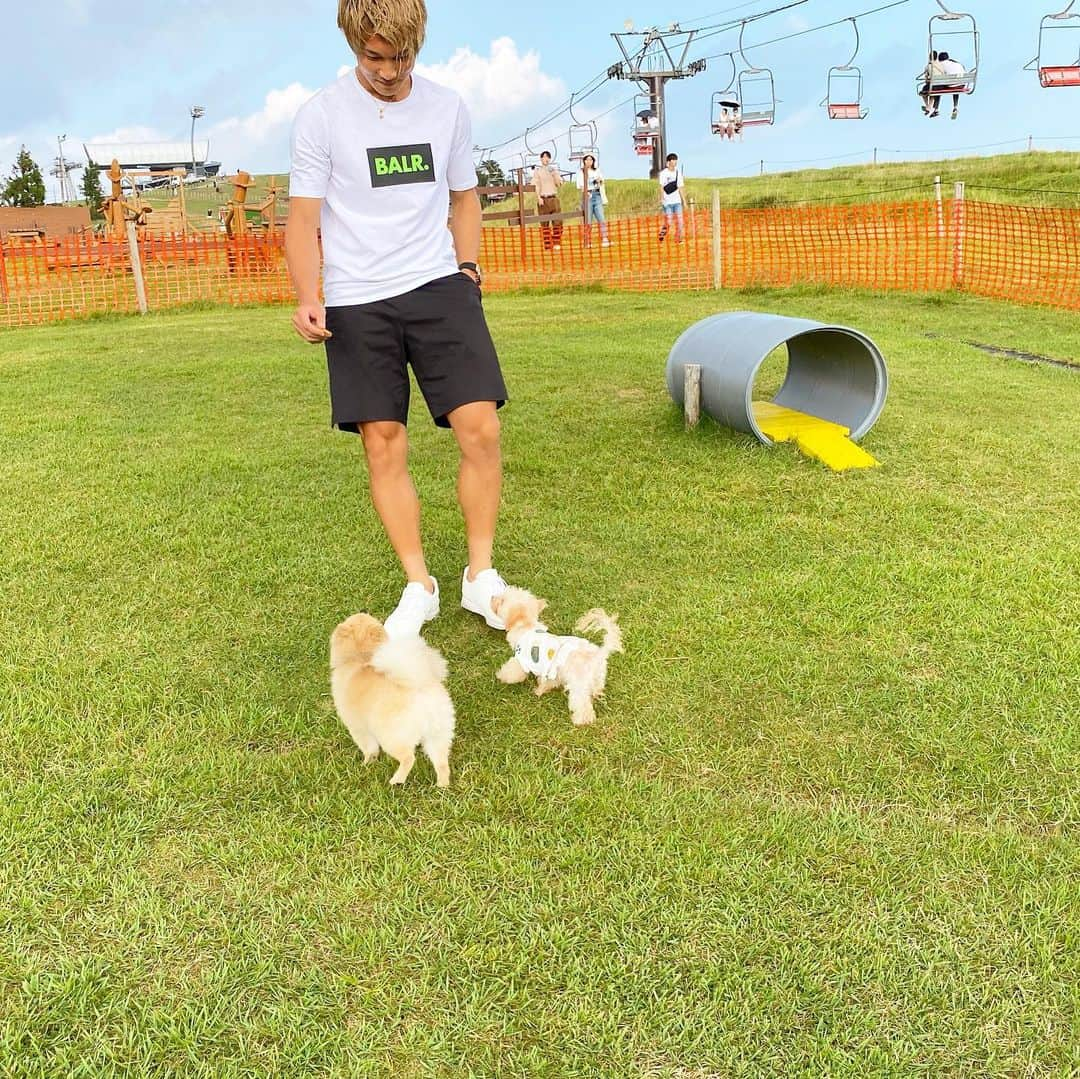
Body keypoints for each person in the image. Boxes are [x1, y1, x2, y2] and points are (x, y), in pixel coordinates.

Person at [286, 0, 518, 639]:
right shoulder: (321, 116)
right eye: (375, 58)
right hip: (358, 297)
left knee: (481, 429)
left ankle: (480, 577)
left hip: (439, 285)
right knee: (383, 442)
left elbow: (464, 196)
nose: (389, 71)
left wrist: (467, 270)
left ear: (418, 44)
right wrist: (309, 292)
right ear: (353, 45)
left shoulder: (447, 108)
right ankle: (419, 584)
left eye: (402, 57)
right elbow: (303, 219)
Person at [576, 153, 610, 248]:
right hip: (588, 196)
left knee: (601, 218)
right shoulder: (581, 172)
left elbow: (602, 181)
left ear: (593, 161)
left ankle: (605, 238)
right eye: (587, 159)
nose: (589, 161)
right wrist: (586, 193)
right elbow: (580, 186)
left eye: (591, 159)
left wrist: (599, 180)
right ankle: (587, 240)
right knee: (588, 220)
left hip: (597, 195)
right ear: (584, 161)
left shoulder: (597, 170)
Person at [532, 150, 563, 252]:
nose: (546, 159)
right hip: (543, 199)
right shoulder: (537, 171)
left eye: (547, 157)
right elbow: (536, 185)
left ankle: (557, 242)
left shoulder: (554, 170)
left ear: (550, 159)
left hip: (553, 198)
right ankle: (548, 244)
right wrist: (538, 197)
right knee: (544, 224)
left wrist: (555, 175)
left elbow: (559, 183)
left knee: (557, 222)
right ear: (541, 159)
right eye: (544, 157)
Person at [657, 152, 685, 244]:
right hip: (667, 202)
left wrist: (684, 201)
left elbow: (680, 187)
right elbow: (661, 187)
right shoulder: (663, 173)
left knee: (680, 222)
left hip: (677, 201)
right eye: (673, 160)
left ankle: (678, 238)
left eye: (675, 160)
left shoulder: (678, 173)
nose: (675, 162)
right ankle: (662, 234)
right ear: (668, 162)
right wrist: (662, 199)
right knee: (668, 222)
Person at [936, 51, 966, 120]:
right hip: (961, 84)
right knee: (955, 87)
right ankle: (955, 107)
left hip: (950, 85)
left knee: (937, 88)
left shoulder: (940, 64)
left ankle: (936, 108)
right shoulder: (957, 63)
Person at [919, 50, 941, 116]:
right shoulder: (940, 65)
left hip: (934, 86)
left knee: (924, 90)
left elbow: (926, 79)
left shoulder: (928, 66)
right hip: (941, 85)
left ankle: (928, 106)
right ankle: (929, 107)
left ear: (929, 57)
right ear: (936, 57)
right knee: (932, 91)